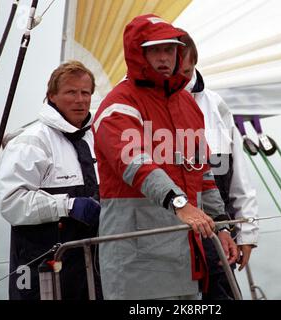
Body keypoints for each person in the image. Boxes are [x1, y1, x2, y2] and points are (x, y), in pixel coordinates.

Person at [92, 14, 238, 300]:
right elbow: (135, 163)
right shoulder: (117, 106)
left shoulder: (186, 102)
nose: (164, 57)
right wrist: (180, 203)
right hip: (135, 266)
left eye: (170, 49)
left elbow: (203, 173)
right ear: (138, 53)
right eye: (155, 49)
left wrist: (222, 226)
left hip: (185, 263)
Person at [0, 61, 103, 300]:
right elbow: (12, 204)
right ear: (52, 96)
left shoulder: (98, 137)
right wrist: (68, 205)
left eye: (85, 93)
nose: (80, 99)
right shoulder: (31, 141)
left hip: (92, 267)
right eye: (71, 92)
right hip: (41, 269)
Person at [179, 30, 259, 300]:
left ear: (194, 64)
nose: (181, 78)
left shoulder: (216, 105)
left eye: (187, 70)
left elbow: (238, 176)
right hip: (174, 240)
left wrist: (247, 233)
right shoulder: (147, 108)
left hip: (218, 233)